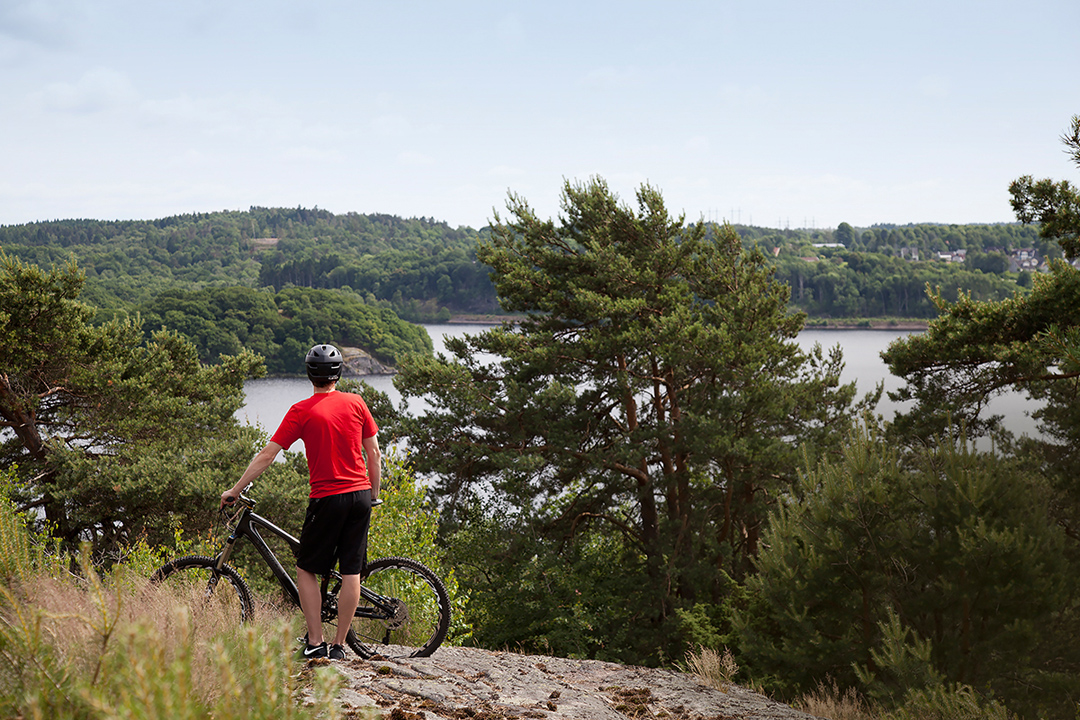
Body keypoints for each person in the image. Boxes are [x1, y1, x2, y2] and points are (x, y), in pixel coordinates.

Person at [221, 343, 381, 660]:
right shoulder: (356, 403)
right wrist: (373, 494)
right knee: (351, 571)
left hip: (328, 498)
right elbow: (373, 453)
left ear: (310, 374)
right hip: (360, 495)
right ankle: (339, 647)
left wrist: (236, 489)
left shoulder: (302, 410)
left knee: (306, 568)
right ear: (338, 373)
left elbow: (267, 455)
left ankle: (316, 642)